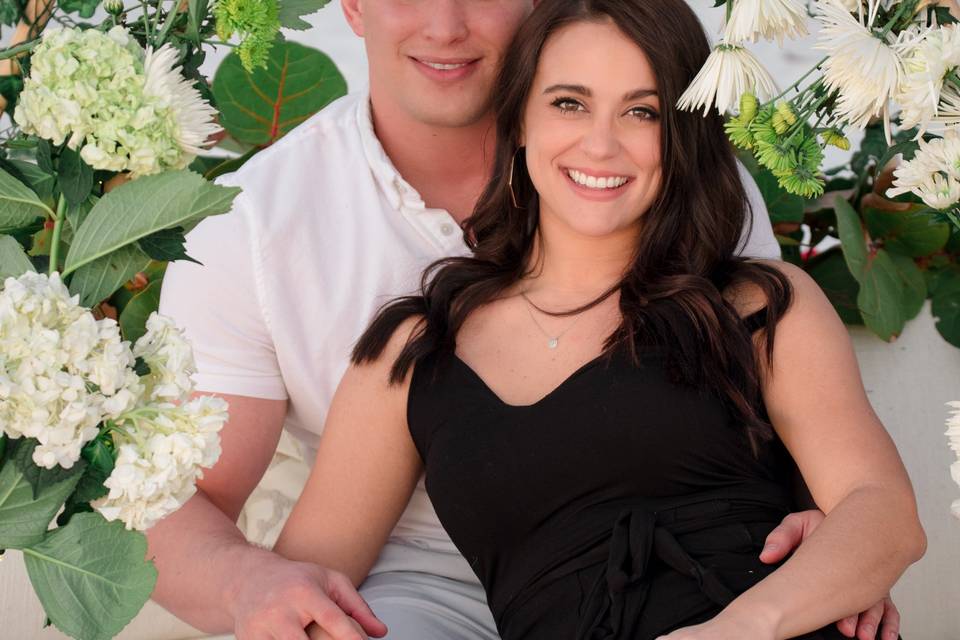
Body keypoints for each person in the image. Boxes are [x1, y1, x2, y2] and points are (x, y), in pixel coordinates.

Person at [153, 1, 903, 639]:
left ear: (681, 134)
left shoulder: (757, 293)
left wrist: (814, 581)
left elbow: (871, 507)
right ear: (520, 123)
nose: (601, 144)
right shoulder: (400, 340)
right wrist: (257, 592)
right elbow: (297, 581)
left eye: (642, 111)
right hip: (432, 597)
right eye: (569, 103)